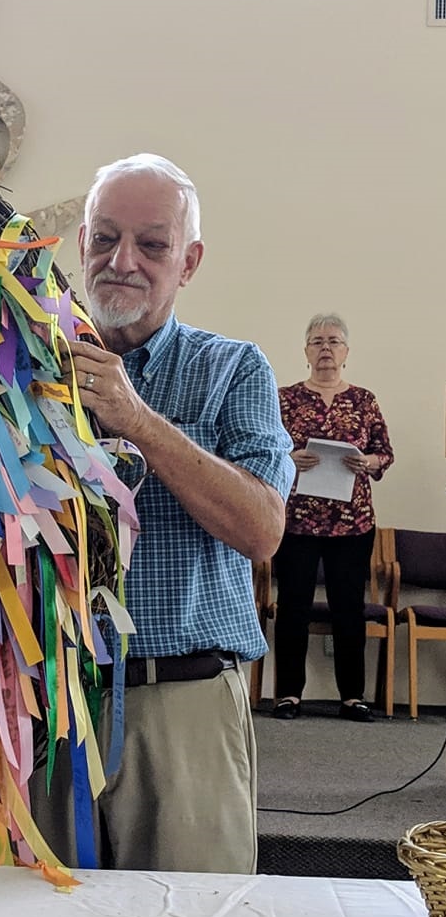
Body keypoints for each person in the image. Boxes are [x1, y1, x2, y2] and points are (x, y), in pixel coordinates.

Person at [33, 154, 295, 874]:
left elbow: (261, 528)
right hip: (50, 704)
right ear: (80, 240)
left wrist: (138, 420)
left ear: (189, 261)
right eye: (105, 238)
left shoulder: (234, 370)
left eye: (152, 244)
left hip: (181, 704)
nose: (122, 261)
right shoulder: (22, 368)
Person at [270, 314, 393, 723]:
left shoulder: (363, 400)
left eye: (334, 341)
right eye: (317, 341)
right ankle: (288, 694)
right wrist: (290, 458)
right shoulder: (284, 398)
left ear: (346, 352)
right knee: (293, 606)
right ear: (305, 351)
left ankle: (352, 696)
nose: (326, 348)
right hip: (297, 520)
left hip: (352, 522)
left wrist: (368, 461)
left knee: (348, 608)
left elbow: (384, 454)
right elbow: (264, 449)